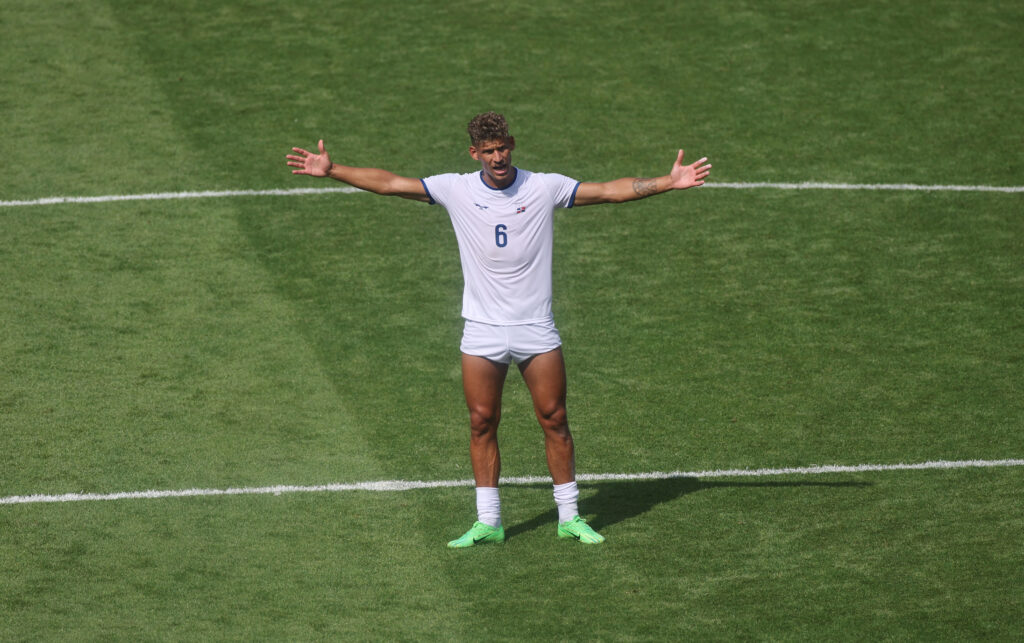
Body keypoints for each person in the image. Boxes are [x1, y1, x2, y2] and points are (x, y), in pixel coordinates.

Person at [287, 112, 710, 547]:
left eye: (502, 147)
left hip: (536, 328)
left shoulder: (543, 186)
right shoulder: (456, 188)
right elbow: (392, 183)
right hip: (482, 330)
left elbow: (607, 191)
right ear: (475, 153)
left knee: (555, 419)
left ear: (512, 144)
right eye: (487, 151)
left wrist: (667, 181)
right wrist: (332, 170)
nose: (497, 157)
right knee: (481, 422)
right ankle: (488, 521)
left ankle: (570, 516)